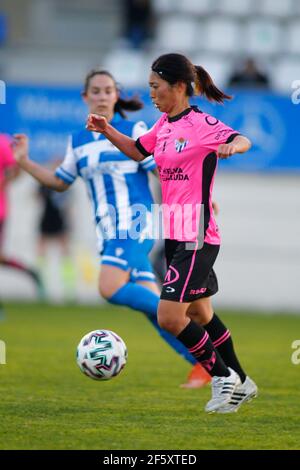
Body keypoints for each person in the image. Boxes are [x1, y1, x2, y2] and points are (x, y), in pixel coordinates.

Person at [12, 69, 210, 387]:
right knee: (154, 310)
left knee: (108, 287)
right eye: (96, 91)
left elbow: (163, 171)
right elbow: (59, 182)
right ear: (85, 97)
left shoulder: (134, 130)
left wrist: (195, 201)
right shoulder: (77, 141)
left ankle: (202, 345)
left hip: (134, 224)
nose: (102, 96)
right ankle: (205, 361)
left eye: (108, 90)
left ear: (116, 96)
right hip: (108, 232)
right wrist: (24, 161)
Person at [85, 53, 258, 413]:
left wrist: (232, 147)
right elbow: (137, 150)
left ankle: (222, 377)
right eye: (149, 87)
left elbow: (243, 139)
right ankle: (242, 380)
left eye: (155, 87)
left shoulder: (201, 124)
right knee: (200, 314)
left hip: (197, 231)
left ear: (179, 86)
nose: (151, 94)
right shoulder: (163, 124)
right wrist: (107, 130)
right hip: (175, 233)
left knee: (169, 317)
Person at [0, 133, 44, 302]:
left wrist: (4, 183)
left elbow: (16, 166)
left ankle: (30, 273)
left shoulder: (2, 142)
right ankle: (30, 273)